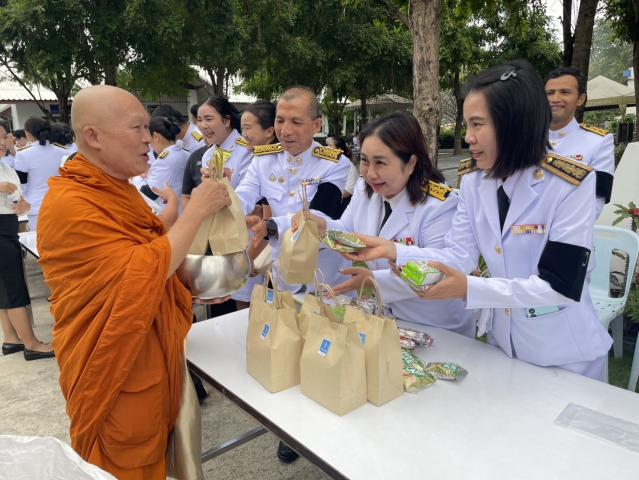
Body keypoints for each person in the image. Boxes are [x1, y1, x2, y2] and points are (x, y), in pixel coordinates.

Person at [343, 60, 612, 381]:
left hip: (565, 354)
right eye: (466, 124)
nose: (468, 137)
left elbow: (558, 286)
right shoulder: (474, 181)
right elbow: (459, 255)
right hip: (503, 346)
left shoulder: (570, 185)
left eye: (477, 124)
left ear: (513, 123)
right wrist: (394, 251)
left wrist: (470, 287)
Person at [37, 85, 232, 479]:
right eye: (137, 127)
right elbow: (140, 270)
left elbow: (146, 249)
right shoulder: (70, 203)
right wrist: (196, 210)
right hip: (115, 369)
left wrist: (197, 272)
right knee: (124, 461)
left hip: (148, 355)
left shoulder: (118, 188)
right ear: (93, 136)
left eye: (148, 127)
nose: (149, 137)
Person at [234, 86, 351, 463]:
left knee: (324, 351)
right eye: (280, 120)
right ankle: (292, 431)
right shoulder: (263, 159)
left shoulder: (334, 163)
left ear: (316, 125)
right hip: (282, 274)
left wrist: (270, 225)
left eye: (296, 122)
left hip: (322, 274)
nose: (285, 130)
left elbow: (320, 215)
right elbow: (243, 194)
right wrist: (228, 204)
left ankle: (329, 432)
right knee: (286, 351)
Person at [292, 113, 475, 337]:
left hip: (438, 325)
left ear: (411, 163)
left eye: (380, 163)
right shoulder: (365, 190)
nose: (370, 173)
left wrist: (373, 280)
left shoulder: (438, 204)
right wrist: (321, 225)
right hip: (391, 320)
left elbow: (440, 269)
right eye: (364, 160)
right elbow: (347, 231)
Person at [0, 121, 54, 361]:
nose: (3, 143)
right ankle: (31, 344)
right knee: (12, 288)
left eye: (5, 137)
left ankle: (11, 337)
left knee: (6, 287)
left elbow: (16, 199)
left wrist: (25, 206)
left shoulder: (6, 167)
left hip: (8, 226)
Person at [544, 67, 614, 220]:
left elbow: (594, 204)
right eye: (549, 93)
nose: (555, 98)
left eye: (565, 92)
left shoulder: (599, 141)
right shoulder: (526, 138)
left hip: (571, 231)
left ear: (581, 99)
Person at [232, 100, 279, 310]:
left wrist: (247, 260)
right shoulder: (261, 160)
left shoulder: (271, 163)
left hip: (272, 254)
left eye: (248, 128)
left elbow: (270, 224)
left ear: (269, 131)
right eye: (242, 128)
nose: (244, 134)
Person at [14, 117, 68, 231]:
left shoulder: (23, 154)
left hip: (35, 207)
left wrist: (25, 202)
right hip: (61, 204)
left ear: (27, 133)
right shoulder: (63, 151)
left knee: (39, 239)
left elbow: (22, 185)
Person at [197, 96, 253, 189]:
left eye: (209, 119)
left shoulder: (246, 150)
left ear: (227, 120)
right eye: (199, 120)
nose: (202, 126)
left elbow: (248, 193)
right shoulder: (208, 155)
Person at [137, 116, 190, 215]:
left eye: (149, 142)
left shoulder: (164, 162)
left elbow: (148, 194)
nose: (150, 147)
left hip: (172, 216)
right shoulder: (186, 154)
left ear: (156, 136)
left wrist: (136, 177)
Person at [328, 136, 358, 214]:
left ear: (338, 150)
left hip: (342, 205)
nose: (327, 148)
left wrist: (331, 197)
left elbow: (349, 189)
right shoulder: (327, 165)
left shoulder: (348, 166)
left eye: (330, 146)